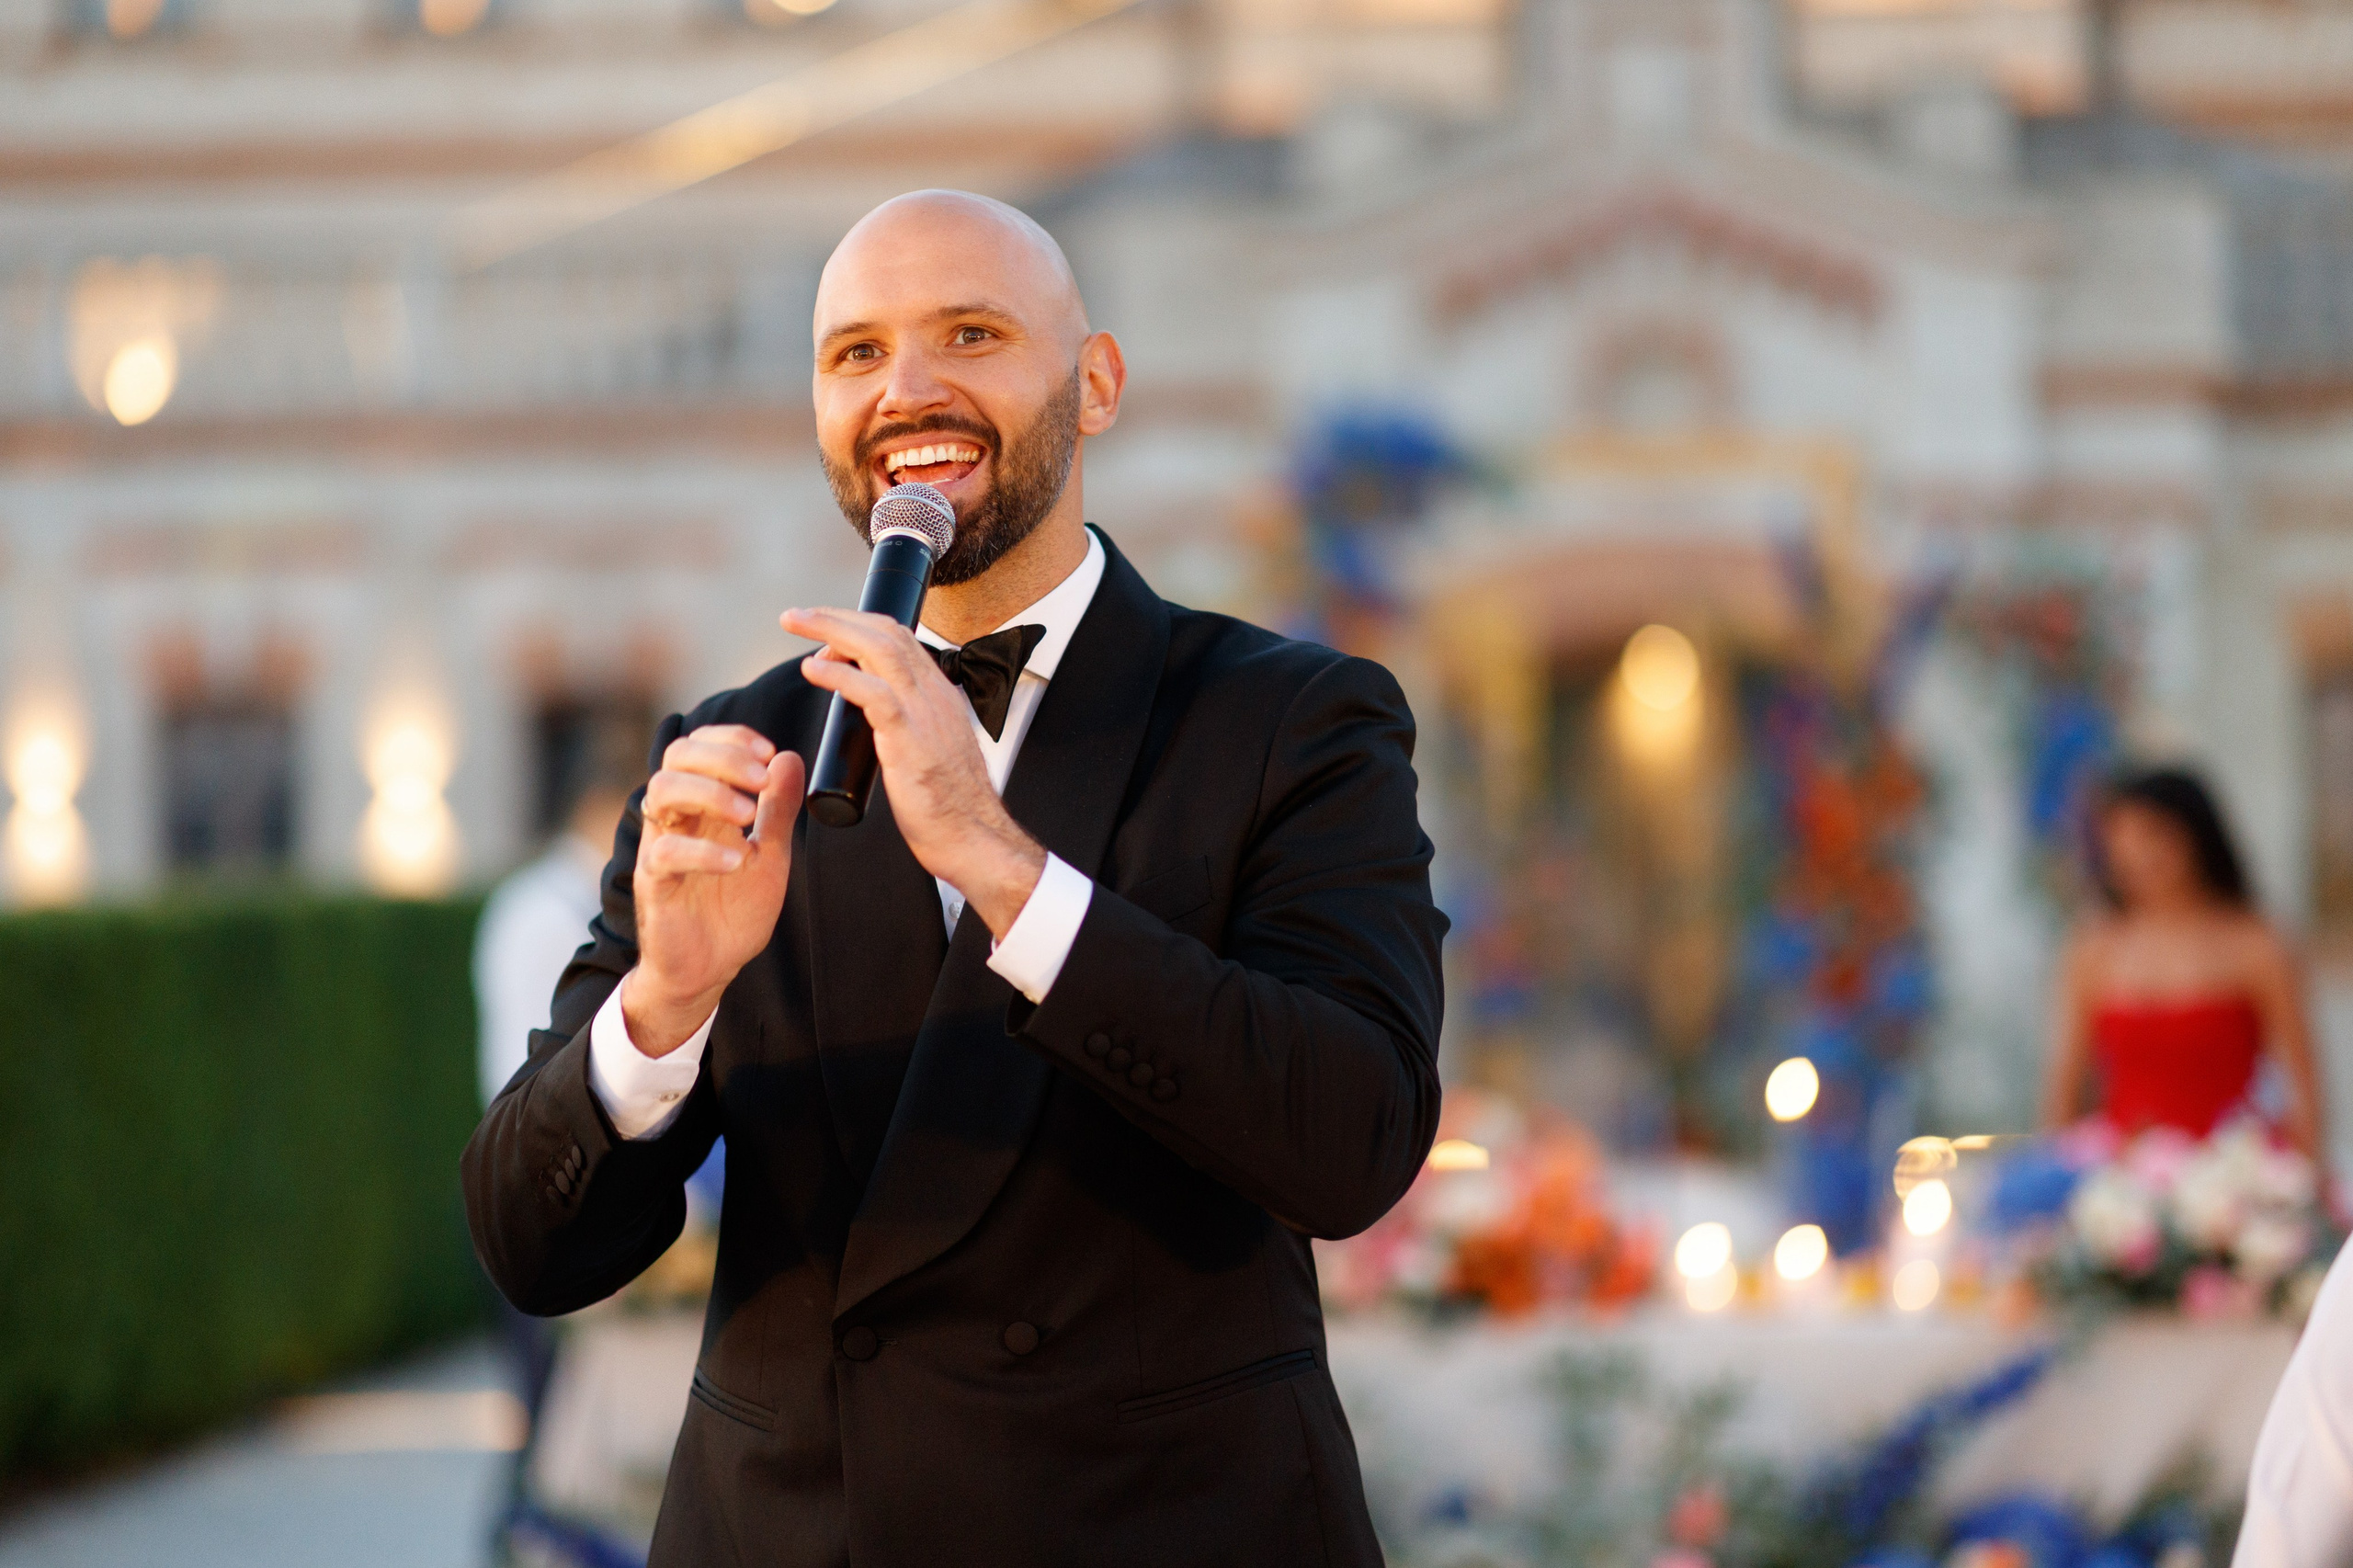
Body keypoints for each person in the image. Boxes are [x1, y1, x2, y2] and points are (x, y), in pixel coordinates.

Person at [461, 189, 1448, 1568]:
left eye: (969, 333)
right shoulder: (731, 748)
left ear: (1093, 383)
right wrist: (668, 1001)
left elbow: (1353, 1142)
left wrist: (1004, 866)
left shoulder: (1294, 719)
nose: (905, 390)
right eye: (854, 353)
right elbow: (530, 1246)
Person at [472, 775, 632, 1560]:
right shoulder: (546, 914)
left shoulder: (562, 906)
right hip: (546, 1183)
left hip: (568, 1175)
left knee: (559, 1413)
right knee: (546, 1412)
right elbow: (538, 1069)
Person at [2043, 767, 2324, 1157]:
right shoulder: (2095, 948)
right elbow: (2065, 1088)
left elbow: (2305, 1086)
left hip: (2235, 1173)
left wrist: (2306, 1179)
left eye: (2153, 835)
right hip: (2122, 1178)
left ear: (2195, 834)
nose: (2138, 854)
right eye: (2122, 839)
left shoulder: (2257, 944)